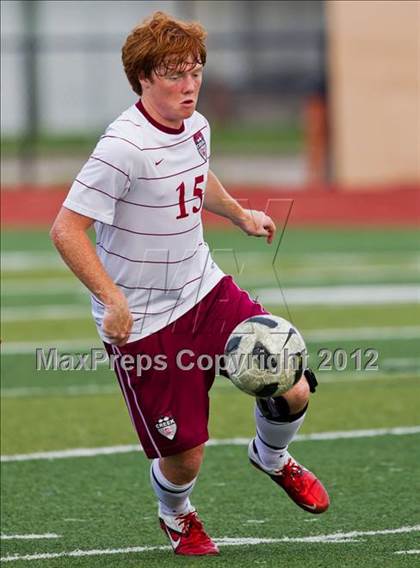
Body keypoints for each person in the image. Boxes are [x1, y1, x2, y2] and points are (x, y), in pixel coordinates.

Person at [50, 11, 329, 557]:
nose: (190, 84)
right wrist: (112, 298)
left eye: (195, 70)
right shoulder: (121, 147)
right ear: (143, 78)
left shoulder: (197, 126)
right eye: (175, 74)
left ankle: (271, 457)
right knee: (186, 455)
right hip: (146, 319)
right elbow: (66, 229)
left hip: (204, 289)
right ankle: (175, 514)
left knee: (291, 384)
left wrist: (239, 214)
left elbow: (197, 175)